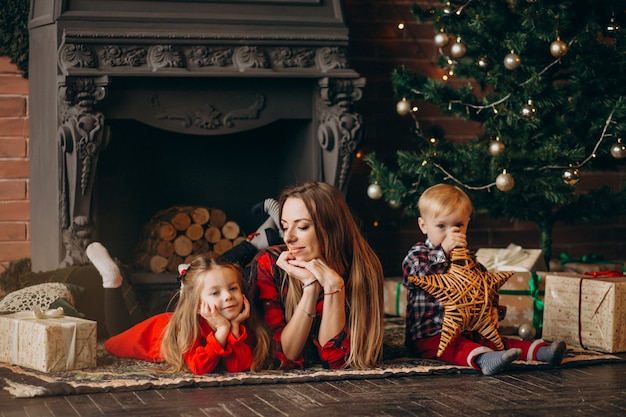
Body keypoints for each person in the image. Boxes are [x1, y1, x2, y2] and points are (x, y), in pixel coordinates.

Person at [402, 183, 566, 375]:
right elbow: (418, 276)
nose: (451, 233)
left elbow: (486, 289)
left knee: (495, 340)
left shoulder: (470, 261)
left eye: (458, 225)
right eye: (441, 226)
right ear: (423, 225)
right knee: (456, 347)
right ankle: (484, 360)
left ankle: (542, 352)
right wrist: (443, 251)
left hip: (469, 330)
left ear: (467, 223)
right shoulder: (419, 254)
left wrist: (493, 310)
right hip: (430, 335)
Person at [248, 181, 385, 370]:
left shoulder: (363, 267)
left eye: (302, 227)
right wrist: (310, 287)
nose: (288, 238)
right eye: (285, 226)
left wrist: (333, 287)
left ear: (332, 228)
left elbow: (338, 362)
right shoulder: (270, 264)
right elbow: (285, 357)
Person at [86, 243, 271, 375]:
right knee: (113, 340)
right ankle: (111, 278)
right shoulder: (188, 329)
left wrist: (235, 327)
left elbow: (238, 367)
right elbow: (199, 367)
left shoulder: (242, 322)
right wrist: (223, 330)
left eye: (233, 288)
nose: (228, 296)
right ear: (198, 306)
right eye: (215, 293)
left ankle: (191, 289)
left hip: (180, 317)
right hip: (153, 332)